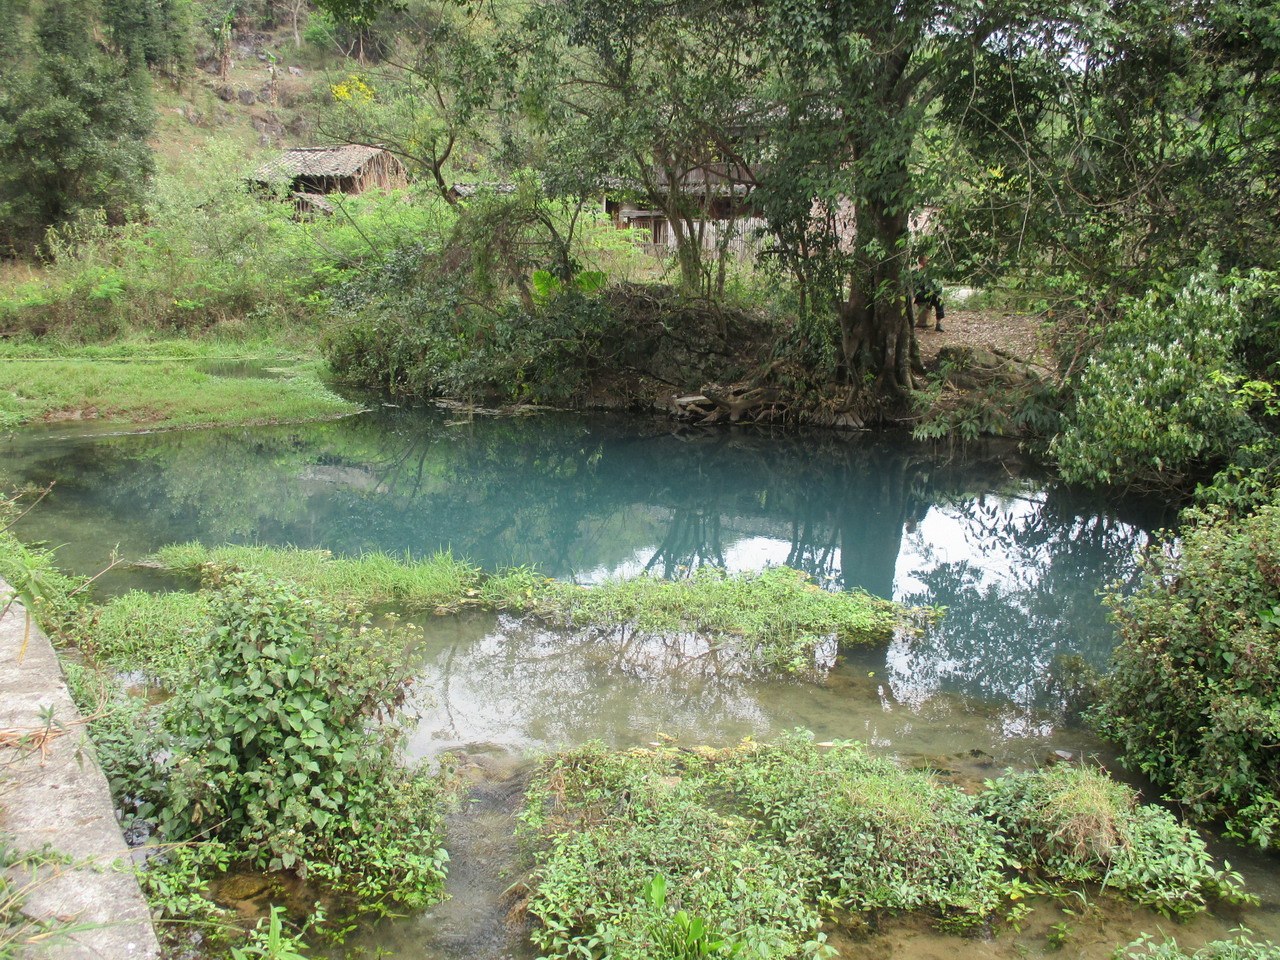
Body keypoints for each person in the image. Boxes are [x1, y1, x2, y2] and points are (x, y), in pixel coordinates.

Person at [912, 254, 945, 332]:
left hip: (931, 294)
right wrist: (914, 296)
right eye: (926, 260)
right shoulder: (915, 272)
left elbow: (938, 284)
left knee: (940, 301)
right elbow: (914, 286)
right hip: (920, 295)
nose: (928, 262)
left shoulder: (933, 272)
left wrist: (939, 294)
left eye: (928, 260)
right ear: (920, 261)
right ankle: (912, 323)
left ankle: (938, 324)